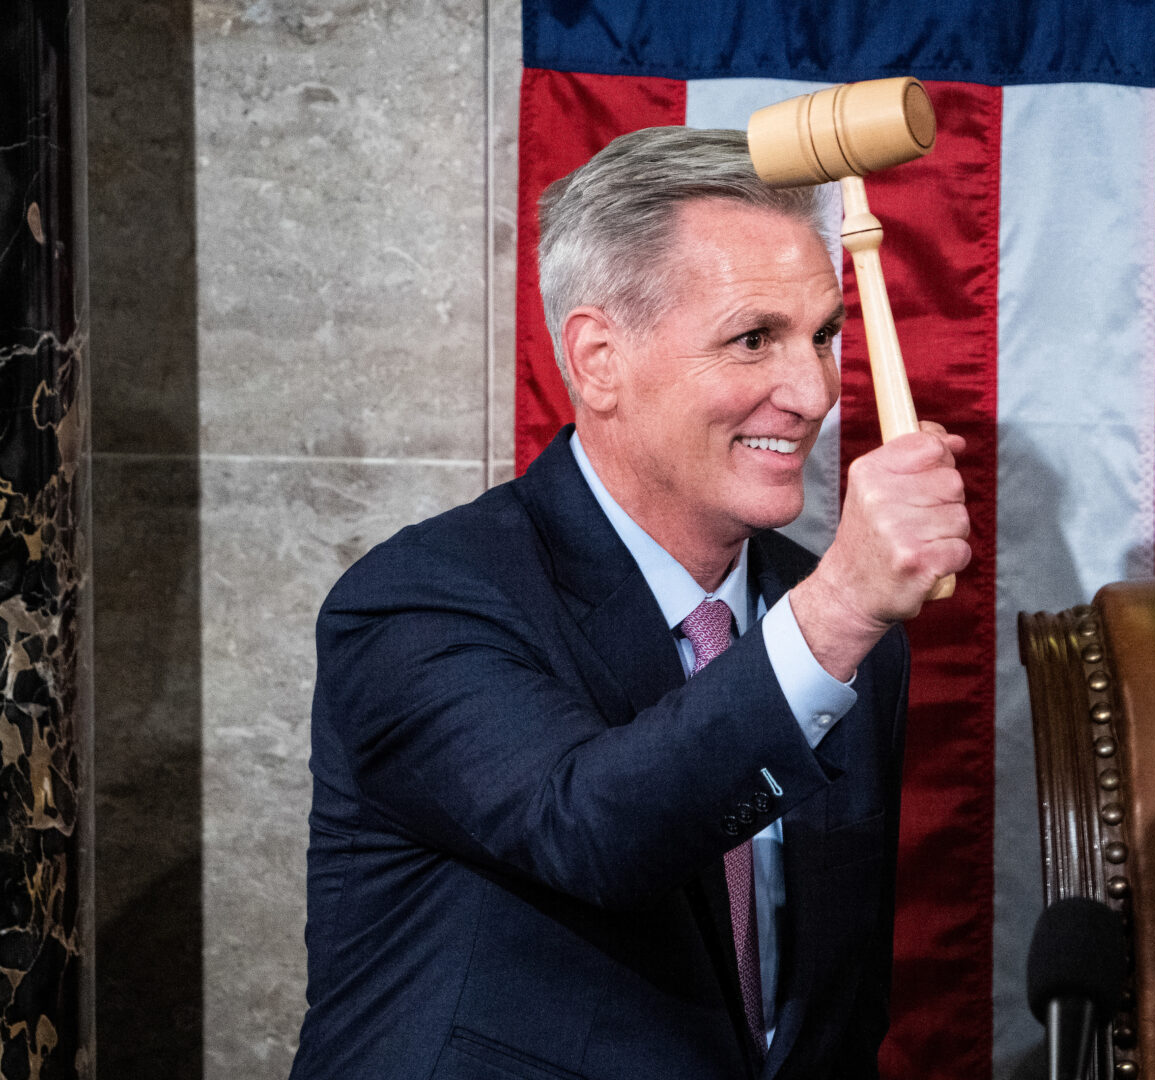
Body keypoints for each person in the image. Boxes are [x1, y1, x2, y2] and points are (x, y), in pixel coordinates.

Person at [288, 126, 971, 1080]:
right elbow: (591, 831)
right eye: (752, 339)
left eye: (822, 335)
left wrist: (838, 616)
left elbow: (829, 1004)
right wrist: (843, 610)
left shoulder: (841, 633)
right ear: (599, 359)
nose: (812, 391)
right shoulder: (417, 603)